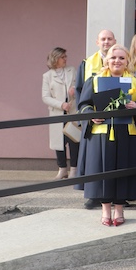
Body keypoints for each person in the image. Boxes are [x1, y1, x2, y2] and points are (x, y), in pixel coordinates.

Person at [77, 44, 136, 227]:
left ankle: (119, 209)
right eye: (113, 57)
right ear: (106, 60)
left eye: (121, 58)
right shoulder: (94, 81)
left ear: (127, 62)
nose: (117, 61)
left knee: (123, 171)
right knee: (103, 171)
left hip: (126, 133)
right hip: (101, 133)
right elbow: (83, 105)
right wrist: (92, 116)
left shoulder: (135, 82)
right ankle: (105, 209)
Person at [75, 29, 116, 209]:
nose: (106, 42)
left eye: (109, 39)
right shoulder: (86, 63)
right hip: (94, 120)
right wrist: (87, 116)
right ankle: (93, 195)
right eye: (103, 39)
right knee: (93, 160)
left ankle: (117, 194)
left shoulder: (122, 60)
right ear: (97, 42)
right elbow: (79, 91)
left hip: (116, 121)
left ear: (114, 41)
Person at [42, 47, 78, 179]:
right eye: (63, 57)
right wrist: (61, 104)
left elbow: (80, 87)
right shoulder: (47, 76)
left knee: (74, 140)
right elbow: (45, 97)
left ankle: (74, 169)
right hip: (57, 113)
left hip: (72, 111)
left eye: (65, 56)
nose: (65, 59)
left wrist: (74, 90)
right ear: (55, 58)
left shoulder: (72, 70)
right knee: (59, 142)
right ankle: (62, 169)